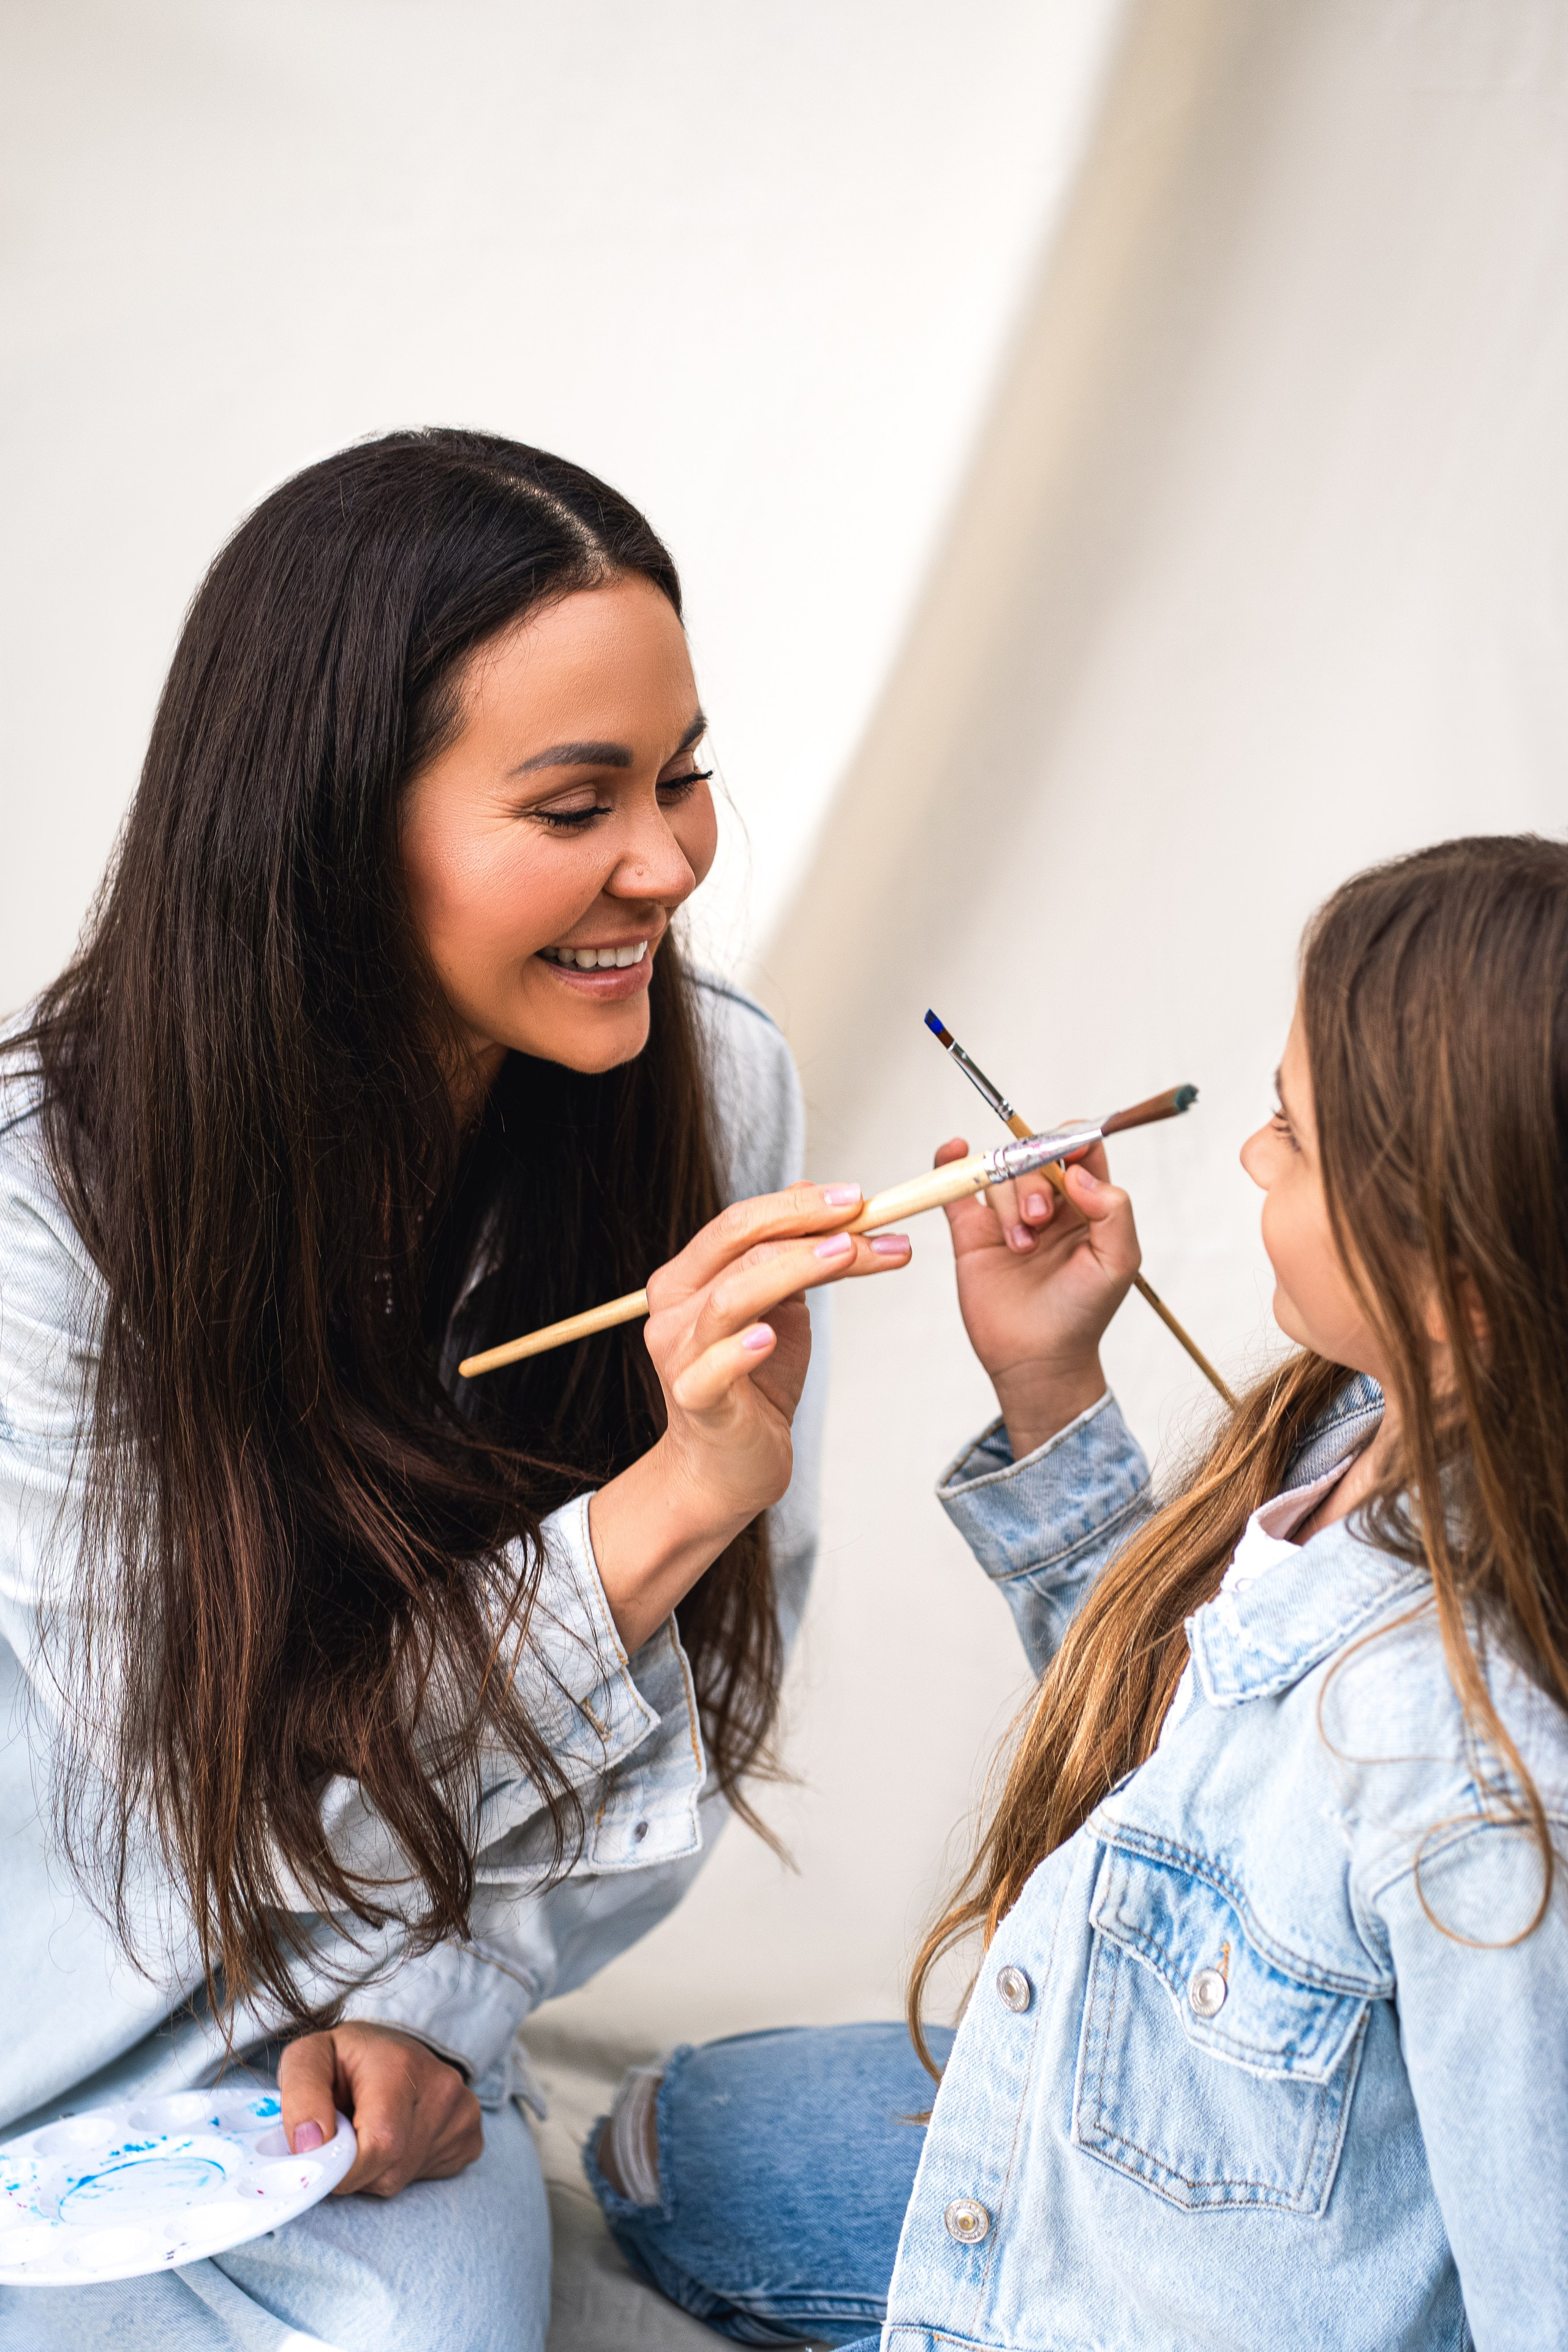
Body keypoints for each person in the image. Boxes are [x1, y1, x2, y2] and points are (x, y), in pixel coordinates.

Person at [0, 428, 911, 2351]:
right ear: (338, 824)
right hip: (65, 1992)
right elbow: (195, 1803)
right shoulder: (46, 1196)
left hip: (382, 2019)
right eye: (577, 801)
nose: (663, 864)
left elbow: (682, 1725)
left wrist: (447, 2000)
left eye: (683, 779)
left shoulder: (718, 1092)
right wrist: (658, 1511)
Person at [587, 834, 1568, 2351]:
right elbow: (1189, 1749)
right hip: (1155, 2145)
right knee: (672, 2130)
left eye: (1292, 1137)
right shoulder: (1354, 1426)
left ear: (1459, 1276)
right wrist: (1047, 1380)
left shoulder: (1475, 1784)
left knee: (659, 2157)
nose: (1247, 1156)